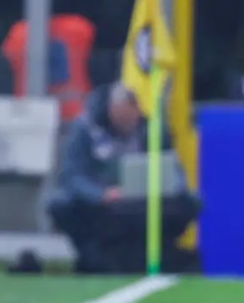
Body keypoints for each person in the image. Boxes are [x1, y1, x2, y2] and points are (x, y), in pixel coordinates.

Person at [46, 82, 200, 274]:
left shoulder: (150, 130)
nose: (126, 124)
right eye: (120, 118)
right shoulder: (85, 130)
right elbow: (71, 176)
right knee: (63, 205)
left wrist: (167, 189)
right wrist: (100, 194)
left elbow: (173, 171)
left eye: (129, 118)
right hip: (100, 201)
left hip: (143, 200)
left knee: (189, 203)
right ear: (110, 110)